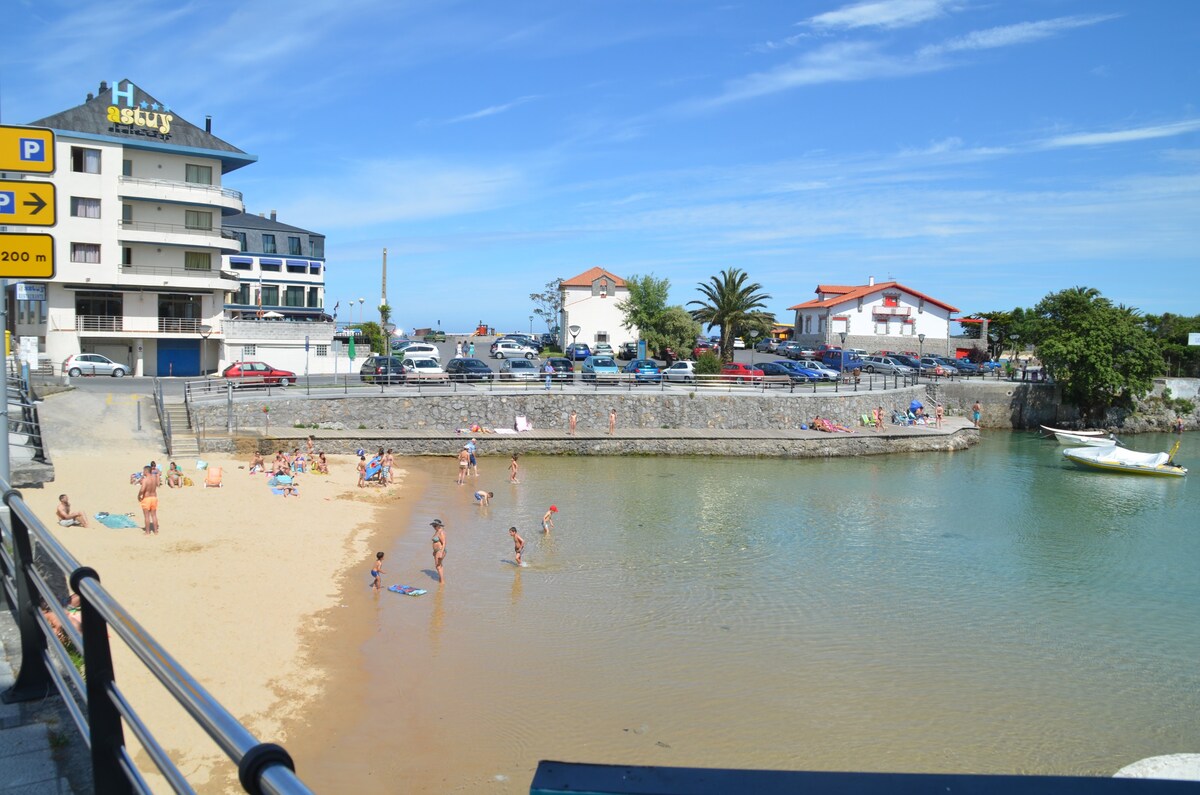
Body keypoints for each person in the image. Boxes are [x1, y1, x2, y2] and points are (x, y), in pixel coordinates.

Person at [138, 465, 160, 535]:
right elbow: (157, 485)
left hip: (147, 498)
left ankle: (147, 532)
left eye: (143, 471)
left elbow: (142, 489)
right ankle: (156, 531)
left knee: (147, 516)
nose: (143, 472)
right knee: (154, 515)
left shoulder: (145, 479)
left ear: (146, 471)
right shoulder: (154, 478)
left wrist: (138, 495)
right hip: (154, 497)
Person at [430, 519, 447, 583]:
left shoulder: (441, 532)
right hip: (437, 551)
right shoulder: (437, 531)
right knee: (439, 566)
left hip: (440, 551)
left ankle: (442, 582)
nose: (433, 527)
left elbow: (444, 542)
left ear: (438, 525)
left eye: (435, 525)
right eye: (433, 525)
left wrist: (441, 552)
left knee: (438, 566)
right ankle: (441, 580)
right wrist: (434, 551)